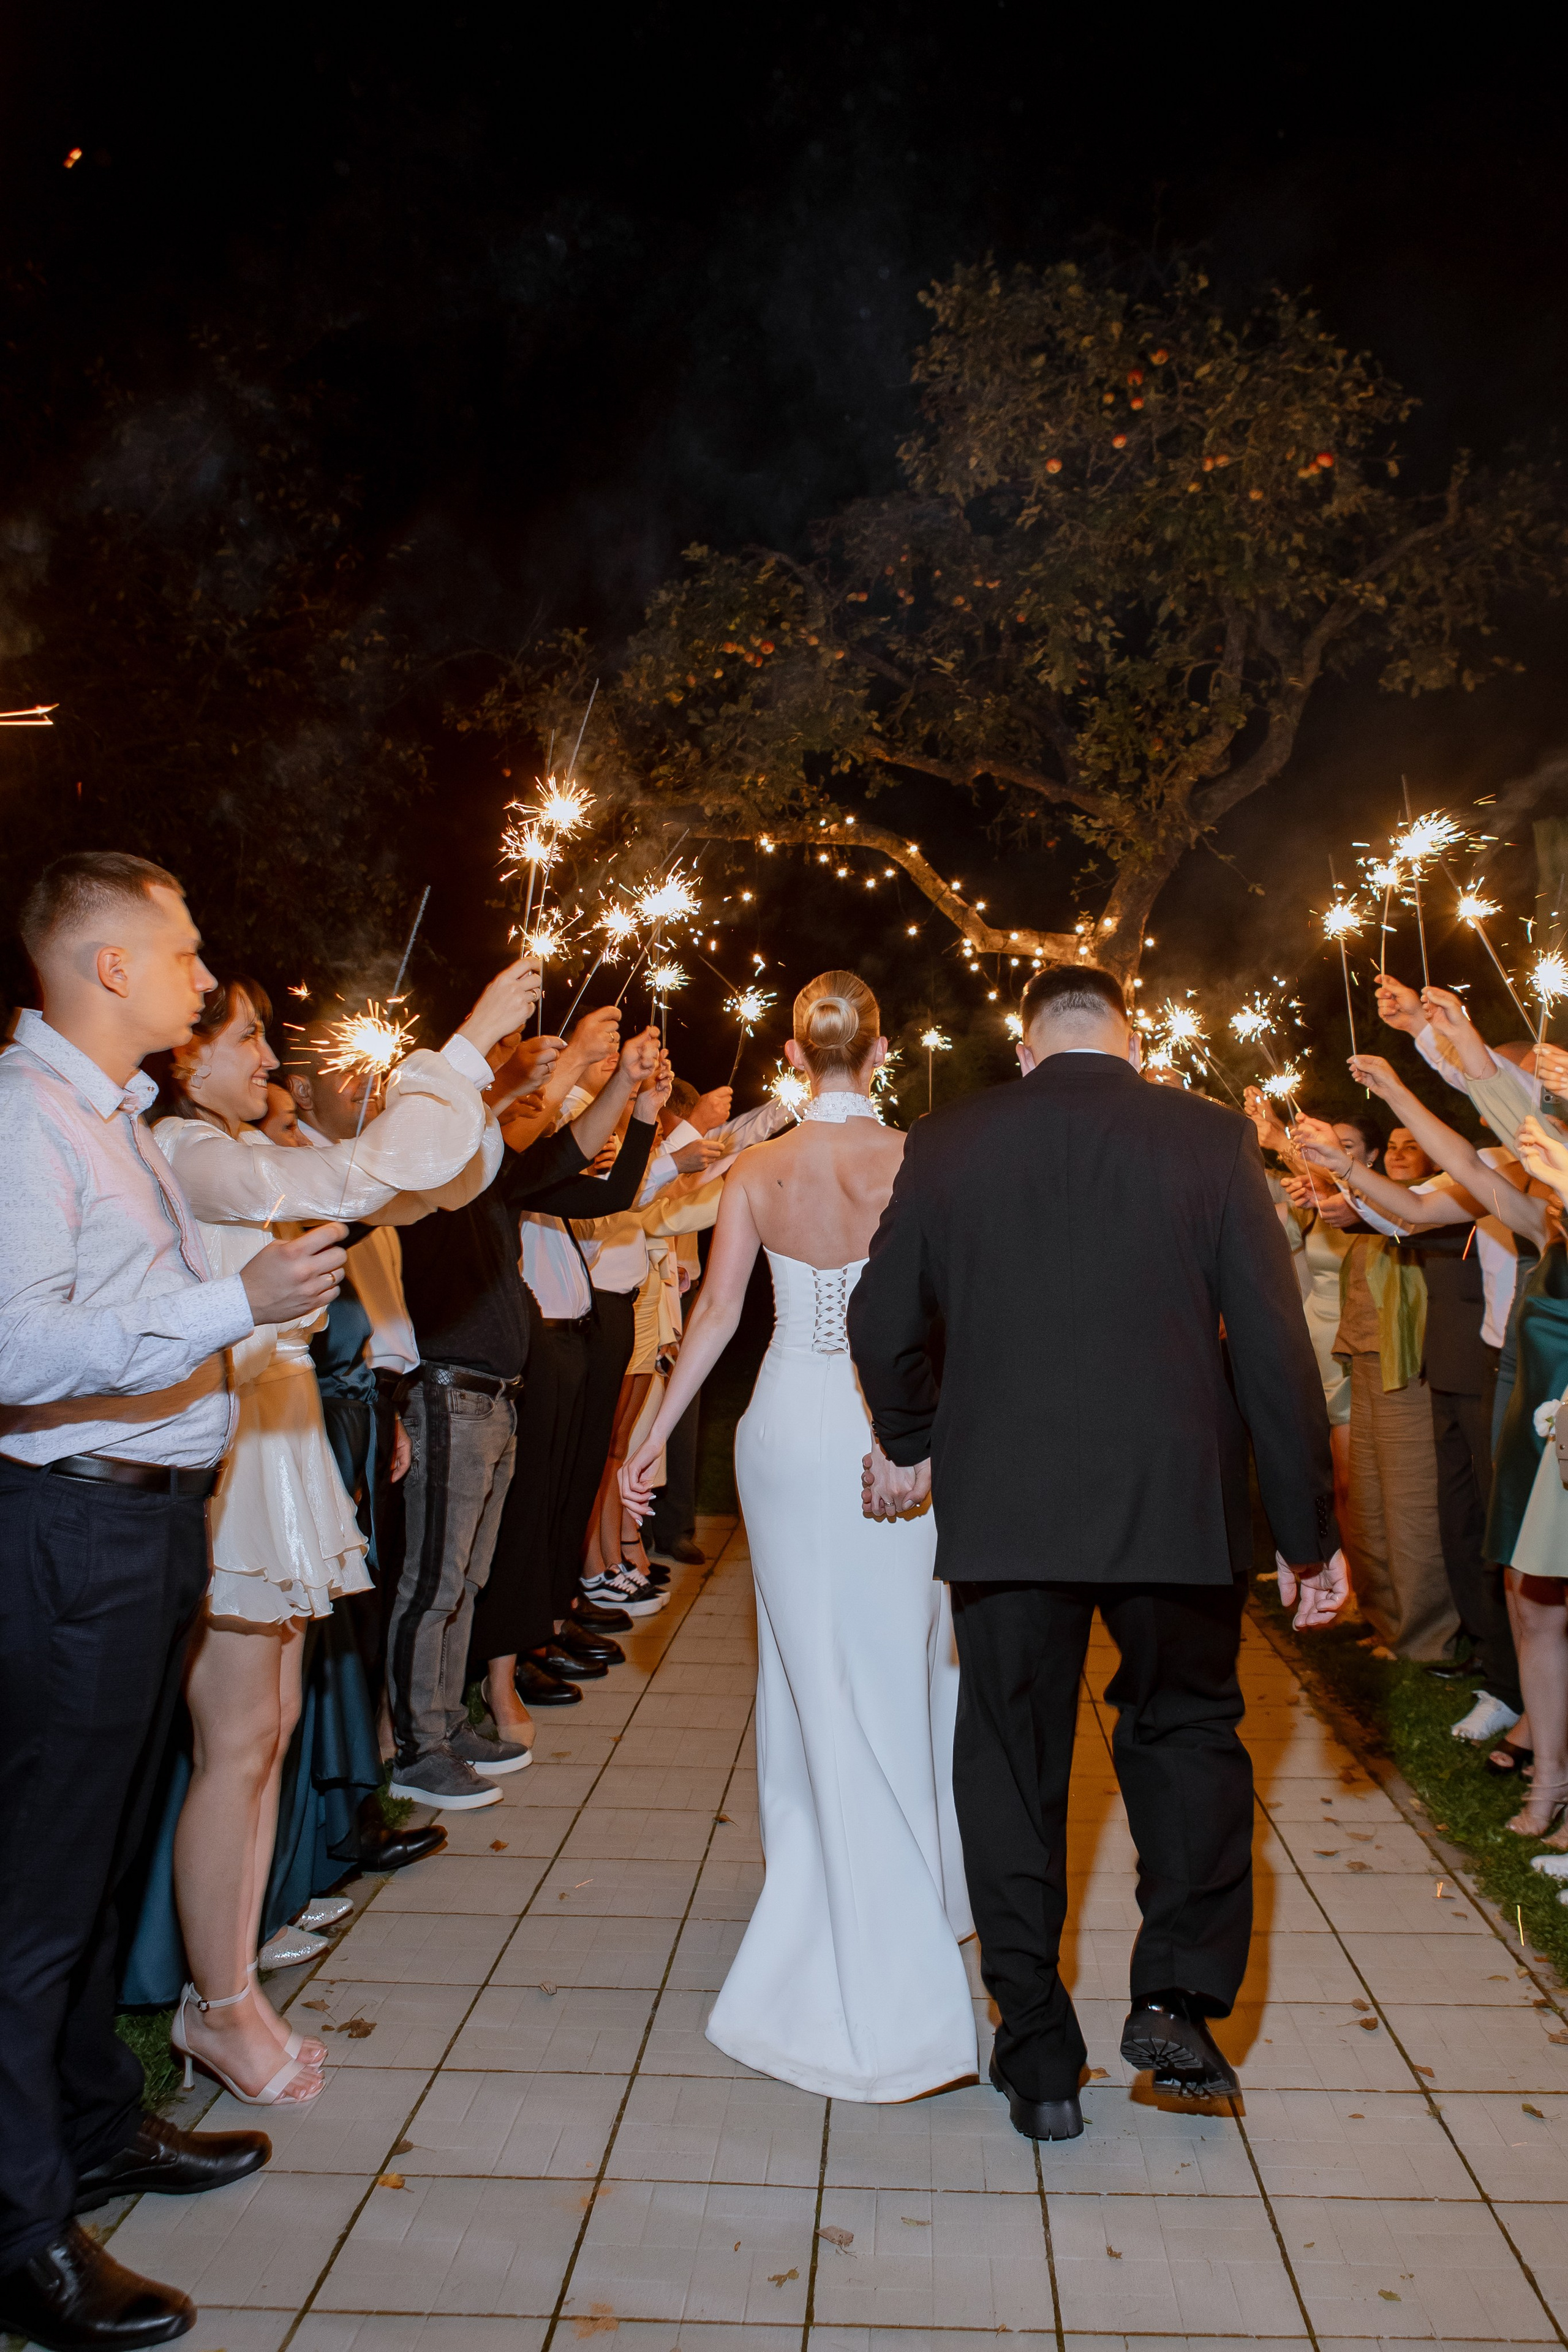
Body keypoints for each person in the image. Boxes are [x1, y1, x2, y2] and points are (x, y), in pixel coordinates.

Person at [848, 962, 1344, 2141]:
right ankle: (1177, 1993)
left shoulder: (953, 1138)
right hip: (1177, 1504)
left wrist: (919, 1437)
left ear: (1026, 1051)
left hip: (1009, 1501)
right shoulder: (1210, 1139)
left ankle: (1035, 2047)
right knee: (1189, 1737)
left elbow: (880, 1319)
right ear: (1134, 1047)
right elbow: (1275, 1351)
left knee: (1012, 1759)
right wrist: (1306, 1532)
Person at [0, 851, 347, 2352]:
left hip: (142, 1533)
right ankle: (20, 2239)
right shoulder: (26, 1124)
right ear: (111, 968)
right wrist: (235, 1306)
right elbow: (16, 1351)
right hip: (67, 1535)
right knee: (31, 1901)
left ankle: (95, 2124)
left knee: (101, 1852)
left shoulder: (115, 1121)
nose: (209, 977)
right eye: (187, 950)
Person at [149, 958, 532, 2106]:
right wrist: (463, 1045)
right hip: (231, 1452)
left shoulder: (229, 1152)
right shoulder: (190, 1153)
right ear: (189, 1057)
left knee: (262, 1732)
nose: (269, 1059)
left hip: (278, 1436)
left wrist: (480, 1096)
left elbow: (401, 1195)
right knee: (235, 1741)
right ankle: (216, 2005)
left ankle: (235, 1983)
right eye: (249, 1040)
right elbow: (366, 1167)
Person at [623, 970, 977, 2103]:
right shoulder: (914, 1160)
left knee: (800, 1660)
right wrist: (917, 1436)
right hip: (885, 1431)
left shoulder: (759, 1166)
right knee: (899, 1651)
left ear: (793, 1052)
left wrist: (646, 1443)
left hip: (781, 1426)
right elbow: (940, 1319)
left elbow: (719, 1317)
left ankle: (822, 1875)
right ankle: (906, 1885)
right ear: (881, 1052)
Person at [388, 1020, 666, 1809]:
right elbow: (550, 1145)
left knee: (468, 1576)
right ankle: (417, 1743)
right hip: (449, 1385)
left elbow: (586, 1171)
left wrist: (629, 1099)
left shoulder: (493, 1178)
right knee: (436, 1580)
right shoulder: (430, 1175)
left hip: (499, 1387)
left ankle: (445, 1721)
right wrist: (572, 1065)